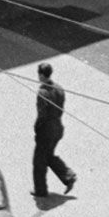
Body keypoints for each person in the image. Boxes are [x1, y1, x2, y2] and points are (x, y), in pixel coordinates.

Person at [32, 62, 76, 197]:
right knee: (48, 155)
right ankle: (68, 176)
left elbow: (42, 115)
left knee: (39, 161)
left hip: (46, 130)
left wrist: (36, 128)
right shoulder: (59, 88)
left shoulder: (42, 92)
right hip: (58, 127)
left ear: (41, 75)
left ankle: (40, 190)